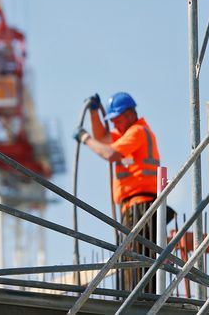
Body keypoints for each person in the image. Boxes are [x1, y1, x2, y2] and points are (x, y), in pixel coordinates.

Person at [74, 92, 160, 292]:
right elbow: (103, 138)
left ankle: (139, 302)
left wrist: (84, 138)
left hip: (142, 206)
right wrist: (95, 114)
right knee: (130, 259)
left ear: (129, 114)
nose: (115, 126)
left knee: (138, 262)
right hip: (133, 206)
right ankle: (132, 298)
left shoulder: (138, 131)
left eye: (117, 120)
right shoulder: (126, 134)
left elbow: (110, 153)